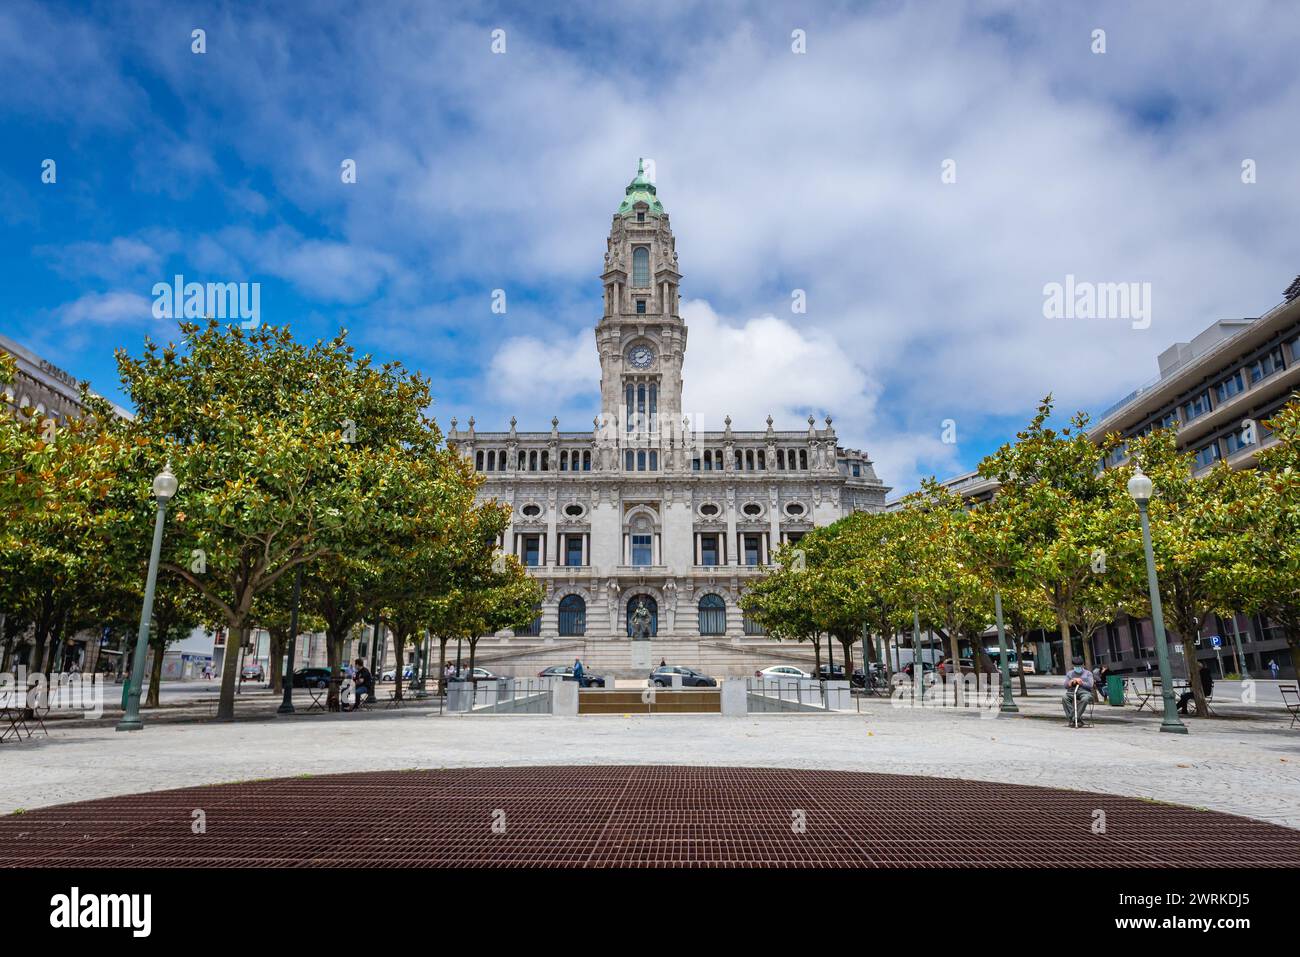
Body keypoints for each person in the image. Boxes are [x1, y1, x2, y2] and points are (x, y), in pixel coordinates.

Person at [1062, 657, 1094, 726]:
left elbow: (1090, 685)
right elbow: (1065, 686)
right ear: (1073, 666)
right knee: (1065, 697)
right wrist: (1070, 682)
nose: (1078, 667)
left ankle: (1072, 718)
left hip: (1085, 692)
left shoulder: (1088, 673)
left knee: (1085, 699)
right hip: (1072, 692)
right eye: (1076, 666)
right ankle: (1076, 719)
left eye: (1079, 666)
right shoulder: (1070, 674)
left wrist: (1081, 683)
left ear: (1083, 665)